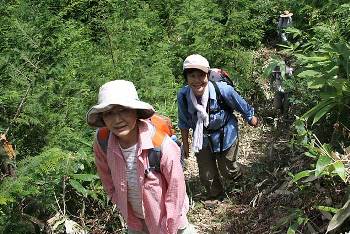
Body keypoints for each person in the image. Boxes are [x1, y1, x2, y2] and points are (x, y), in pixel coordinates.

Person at [86, 80, 196, 234]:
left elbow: (176, 189)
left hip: (170, 221)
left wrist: (170, 225)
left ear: (136, 112)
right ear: (103, 117)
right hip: (136, 222)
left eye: (123, 110)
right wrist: (121, 205)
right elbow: (107, 180)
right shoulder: (103, 141)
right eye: (109, 113)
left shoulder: (160, 144)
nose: (117, 120)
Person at [177, 54, 258, 200]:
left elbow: (240, 104)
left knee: (228, 169)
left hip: (226, 132)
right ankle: (215, 195)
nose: (197, 81)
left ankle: (242, 182)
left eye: (201, 75)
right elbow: (183, 121)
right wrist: (186, 143)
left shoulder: (223, 90)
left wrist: (250, 117)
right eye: (192, 76)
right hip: (201, 136)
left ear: (208, 75)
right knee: (206, 174)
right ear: (186, 78)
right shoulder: (183, 95)